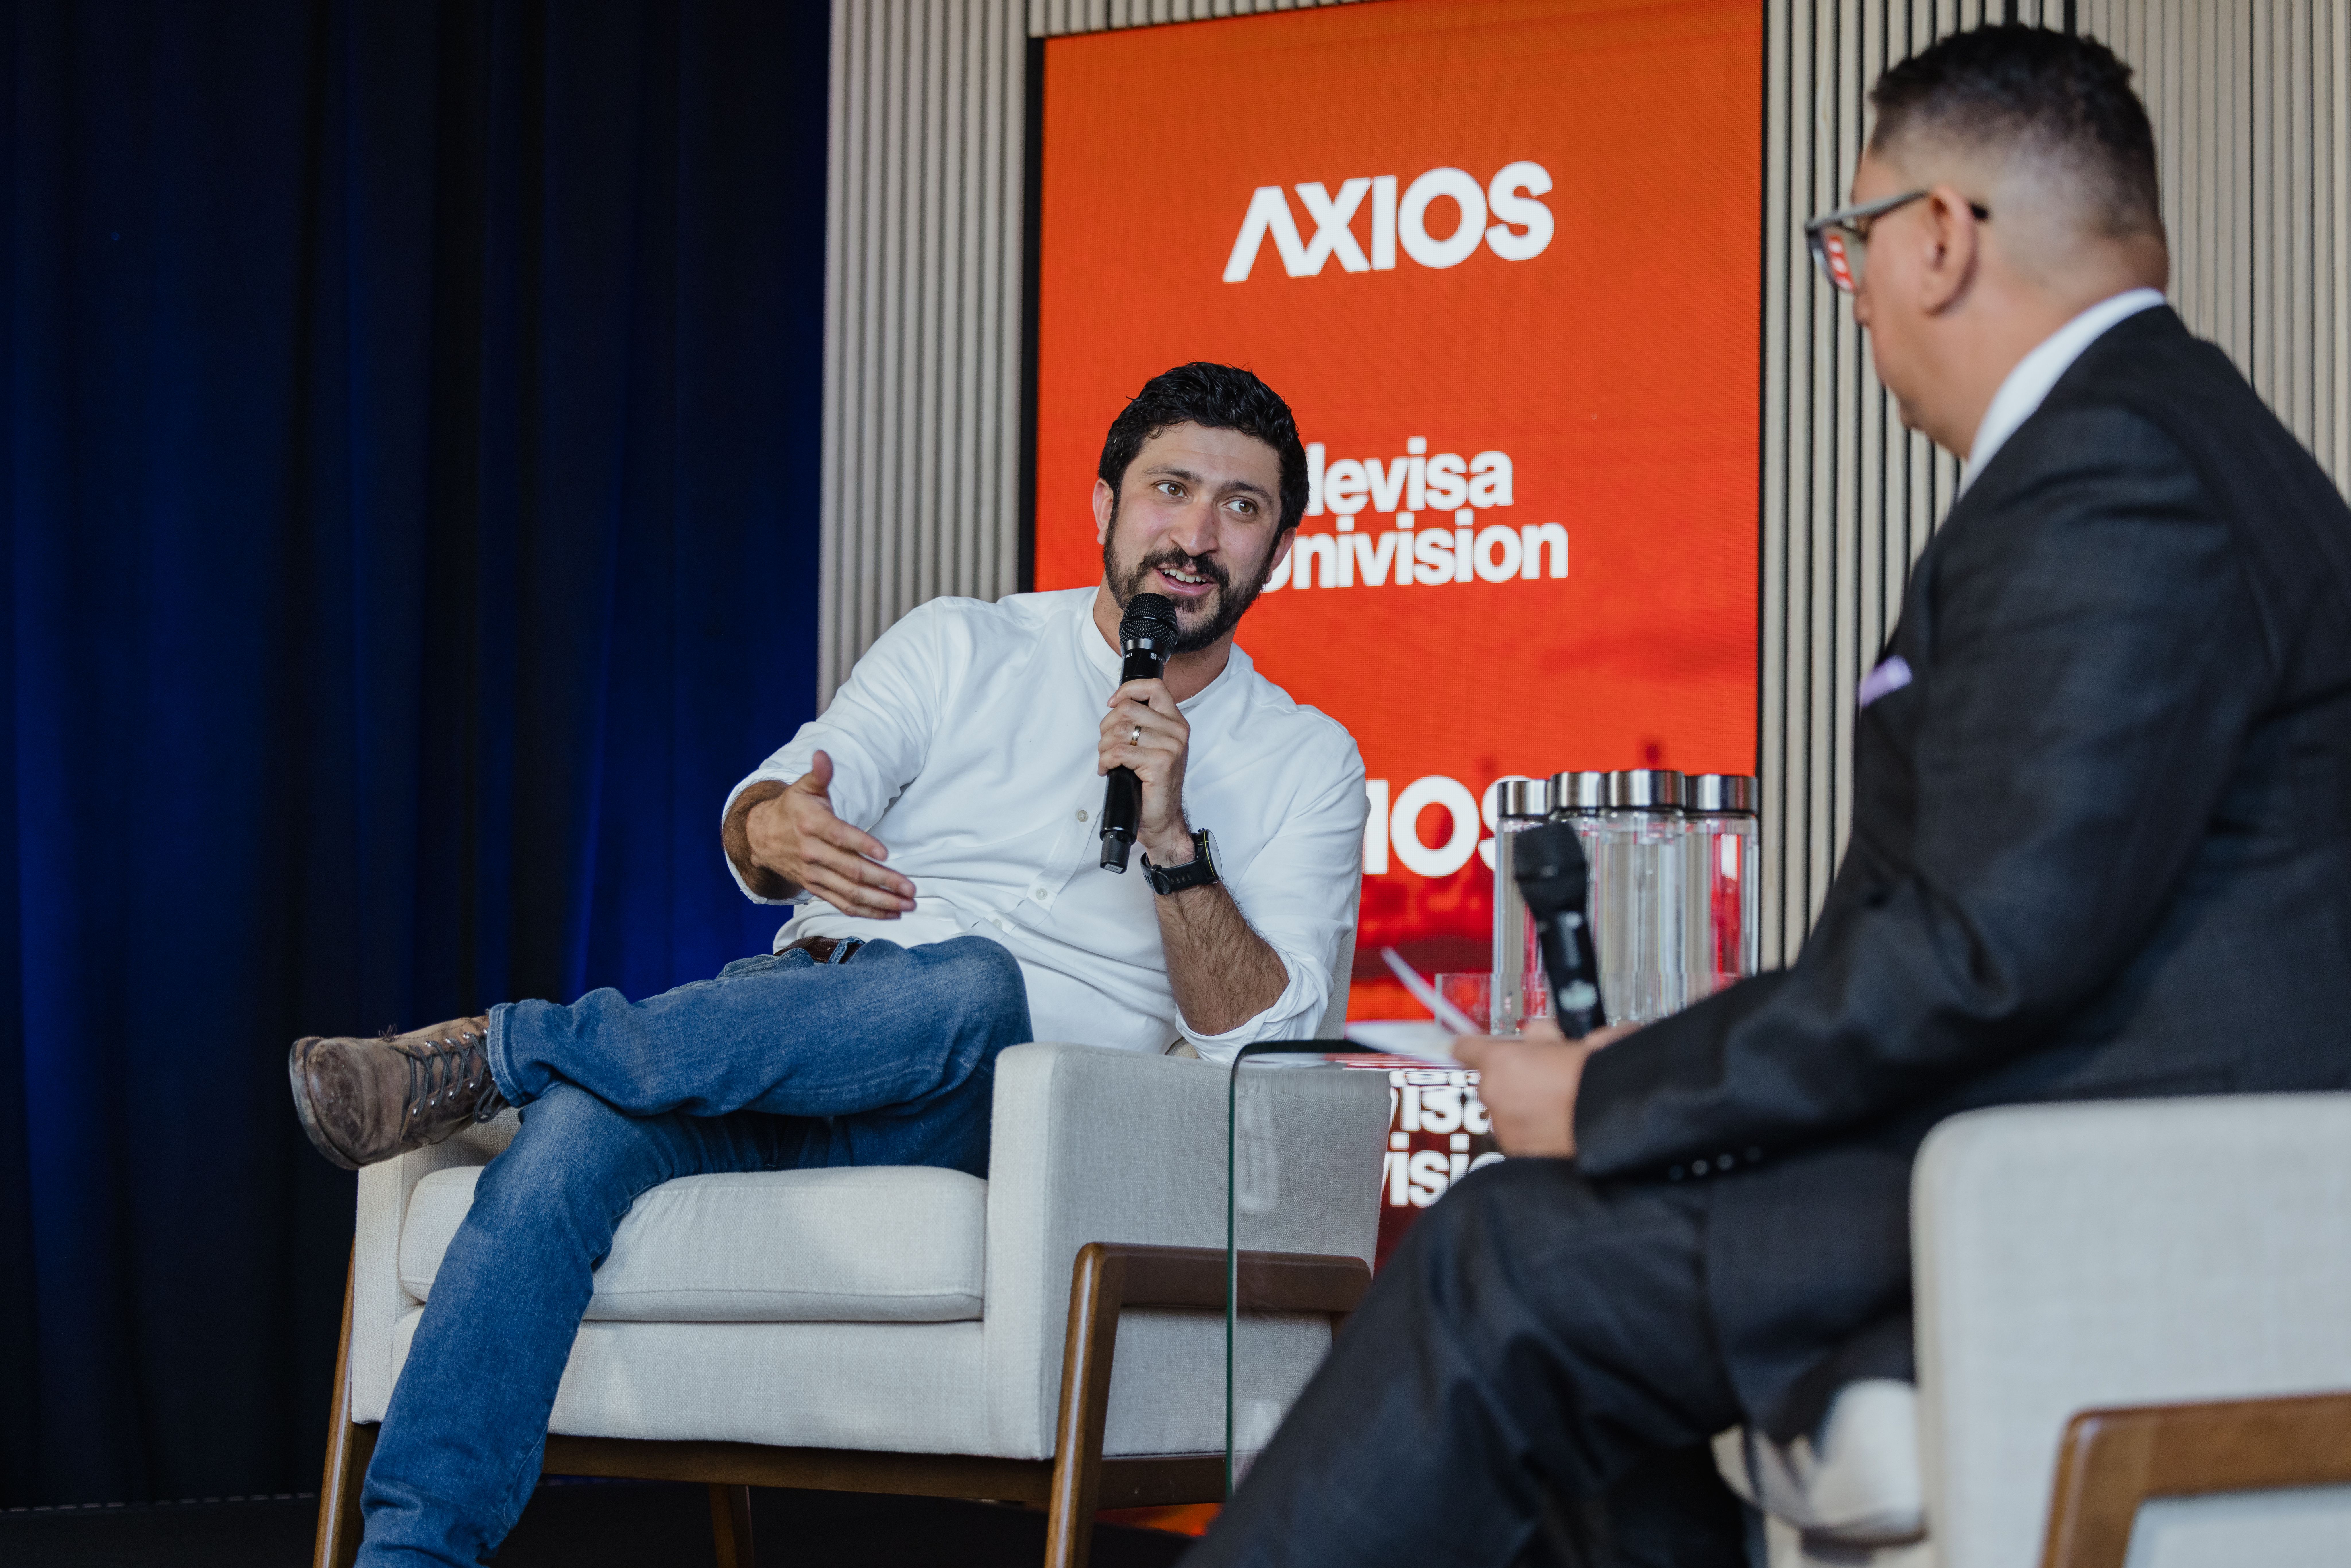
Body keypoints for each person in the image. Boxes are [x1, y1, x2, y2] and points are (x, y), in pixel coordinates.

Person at [1188, 26, 2351, 1568]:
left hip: (2095, 1183)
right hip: (2074, 1145)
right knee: (1589, 1279)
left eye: (1850, 238)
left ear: (1938, 239)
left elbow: (1977, 952)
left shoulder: (2110, 473)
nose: (1852, 285)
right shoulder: (2186, 441)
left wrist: (1603, 1091)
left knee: (1504, 1256)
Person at [285, 360, 1367, 1567]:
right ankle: (410, 1556)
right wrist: (766, 826)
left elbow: (1262, 1044)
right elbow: (783, 795)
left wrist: (1169, 840)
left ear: (1278, 547)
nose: (1198, 534)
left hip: (991, 1102)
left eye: (1242, 507)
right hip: (790, 1028)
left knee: (967, 984)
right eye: (1171, 489)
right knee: (570, 1142)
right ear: (1103, 502)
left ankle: (502, 1048)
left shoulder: (1304, 760)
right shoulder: (963, 641)